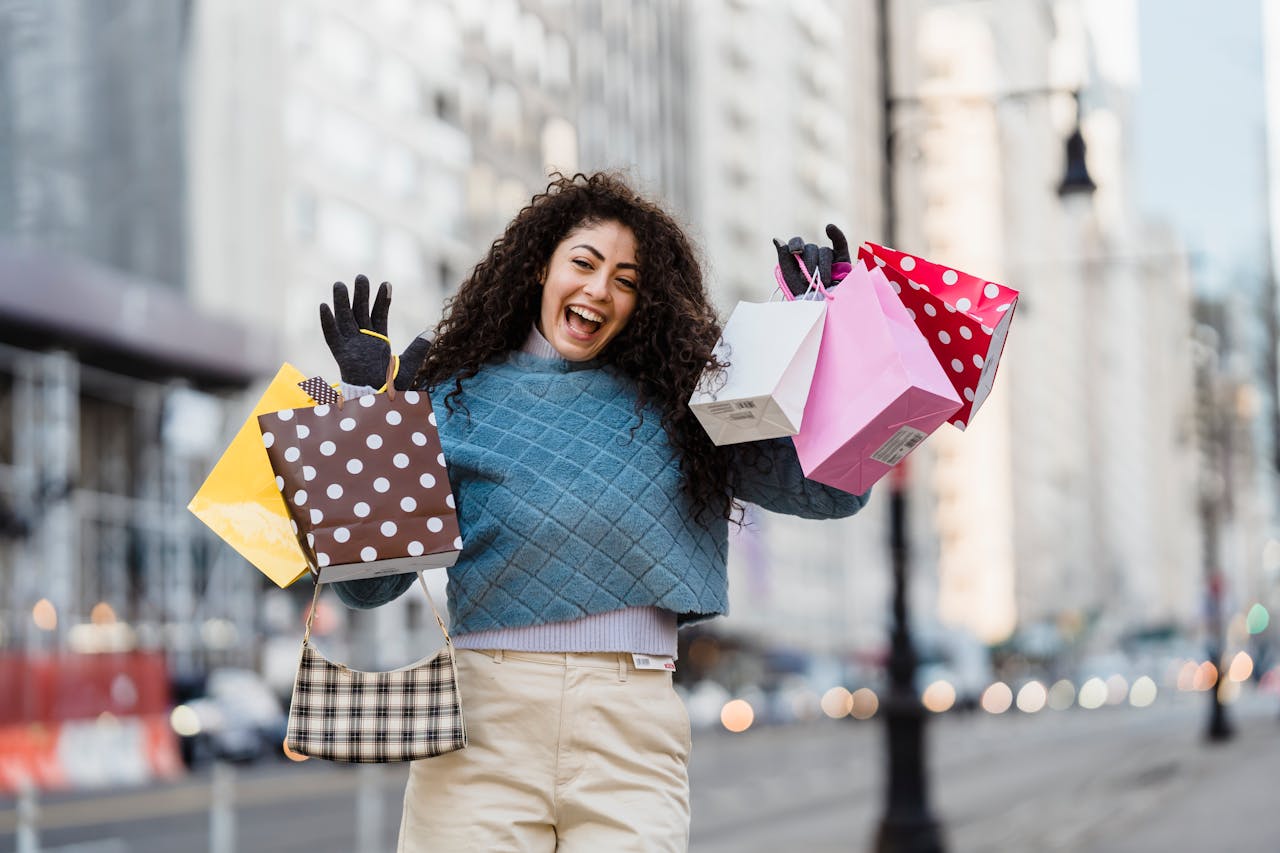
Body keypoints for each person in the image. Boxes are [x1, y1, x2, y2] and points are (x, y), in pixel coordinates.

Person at [317, 171, 869, 852]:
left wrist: (841, 329)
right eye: (583, 262)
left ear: (645, 300)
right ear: (538, 267)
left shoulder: (689, 398)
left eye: (627, 278)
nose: (599, 289)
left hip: (631, 733)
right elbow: (370, 588)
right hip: (481, 729)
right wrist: (375, 411)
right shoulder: (452, 395)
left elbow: (830, 489)